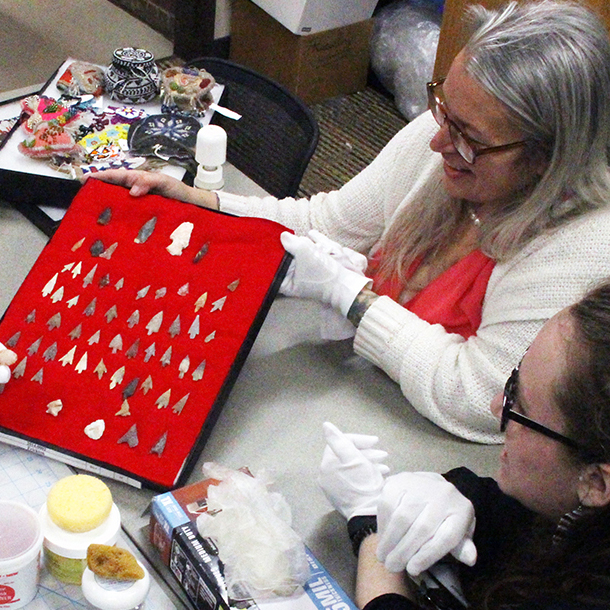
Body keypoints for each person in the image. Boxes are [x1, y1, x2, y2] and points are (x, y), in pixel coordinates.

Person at [93, 0, 610, 443]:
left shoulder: (580, 250)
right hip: (354, 393)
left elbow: (478, 396)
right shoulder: (443, 141)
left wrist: (354, 299)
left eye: (468, 137)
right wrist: (204, 205)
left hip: (424, 444)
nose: (436, 141)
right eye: (442, 108)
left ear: (549, 156)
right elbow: (326, 220)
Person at [318, 280, 610, 610]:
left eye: (522, 408)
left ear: (597, 483)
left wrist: (370, 524)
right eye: (514, 379)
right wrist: (455, 495)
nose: (497, 406)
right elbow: (510, 515)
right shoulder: (577, 509)